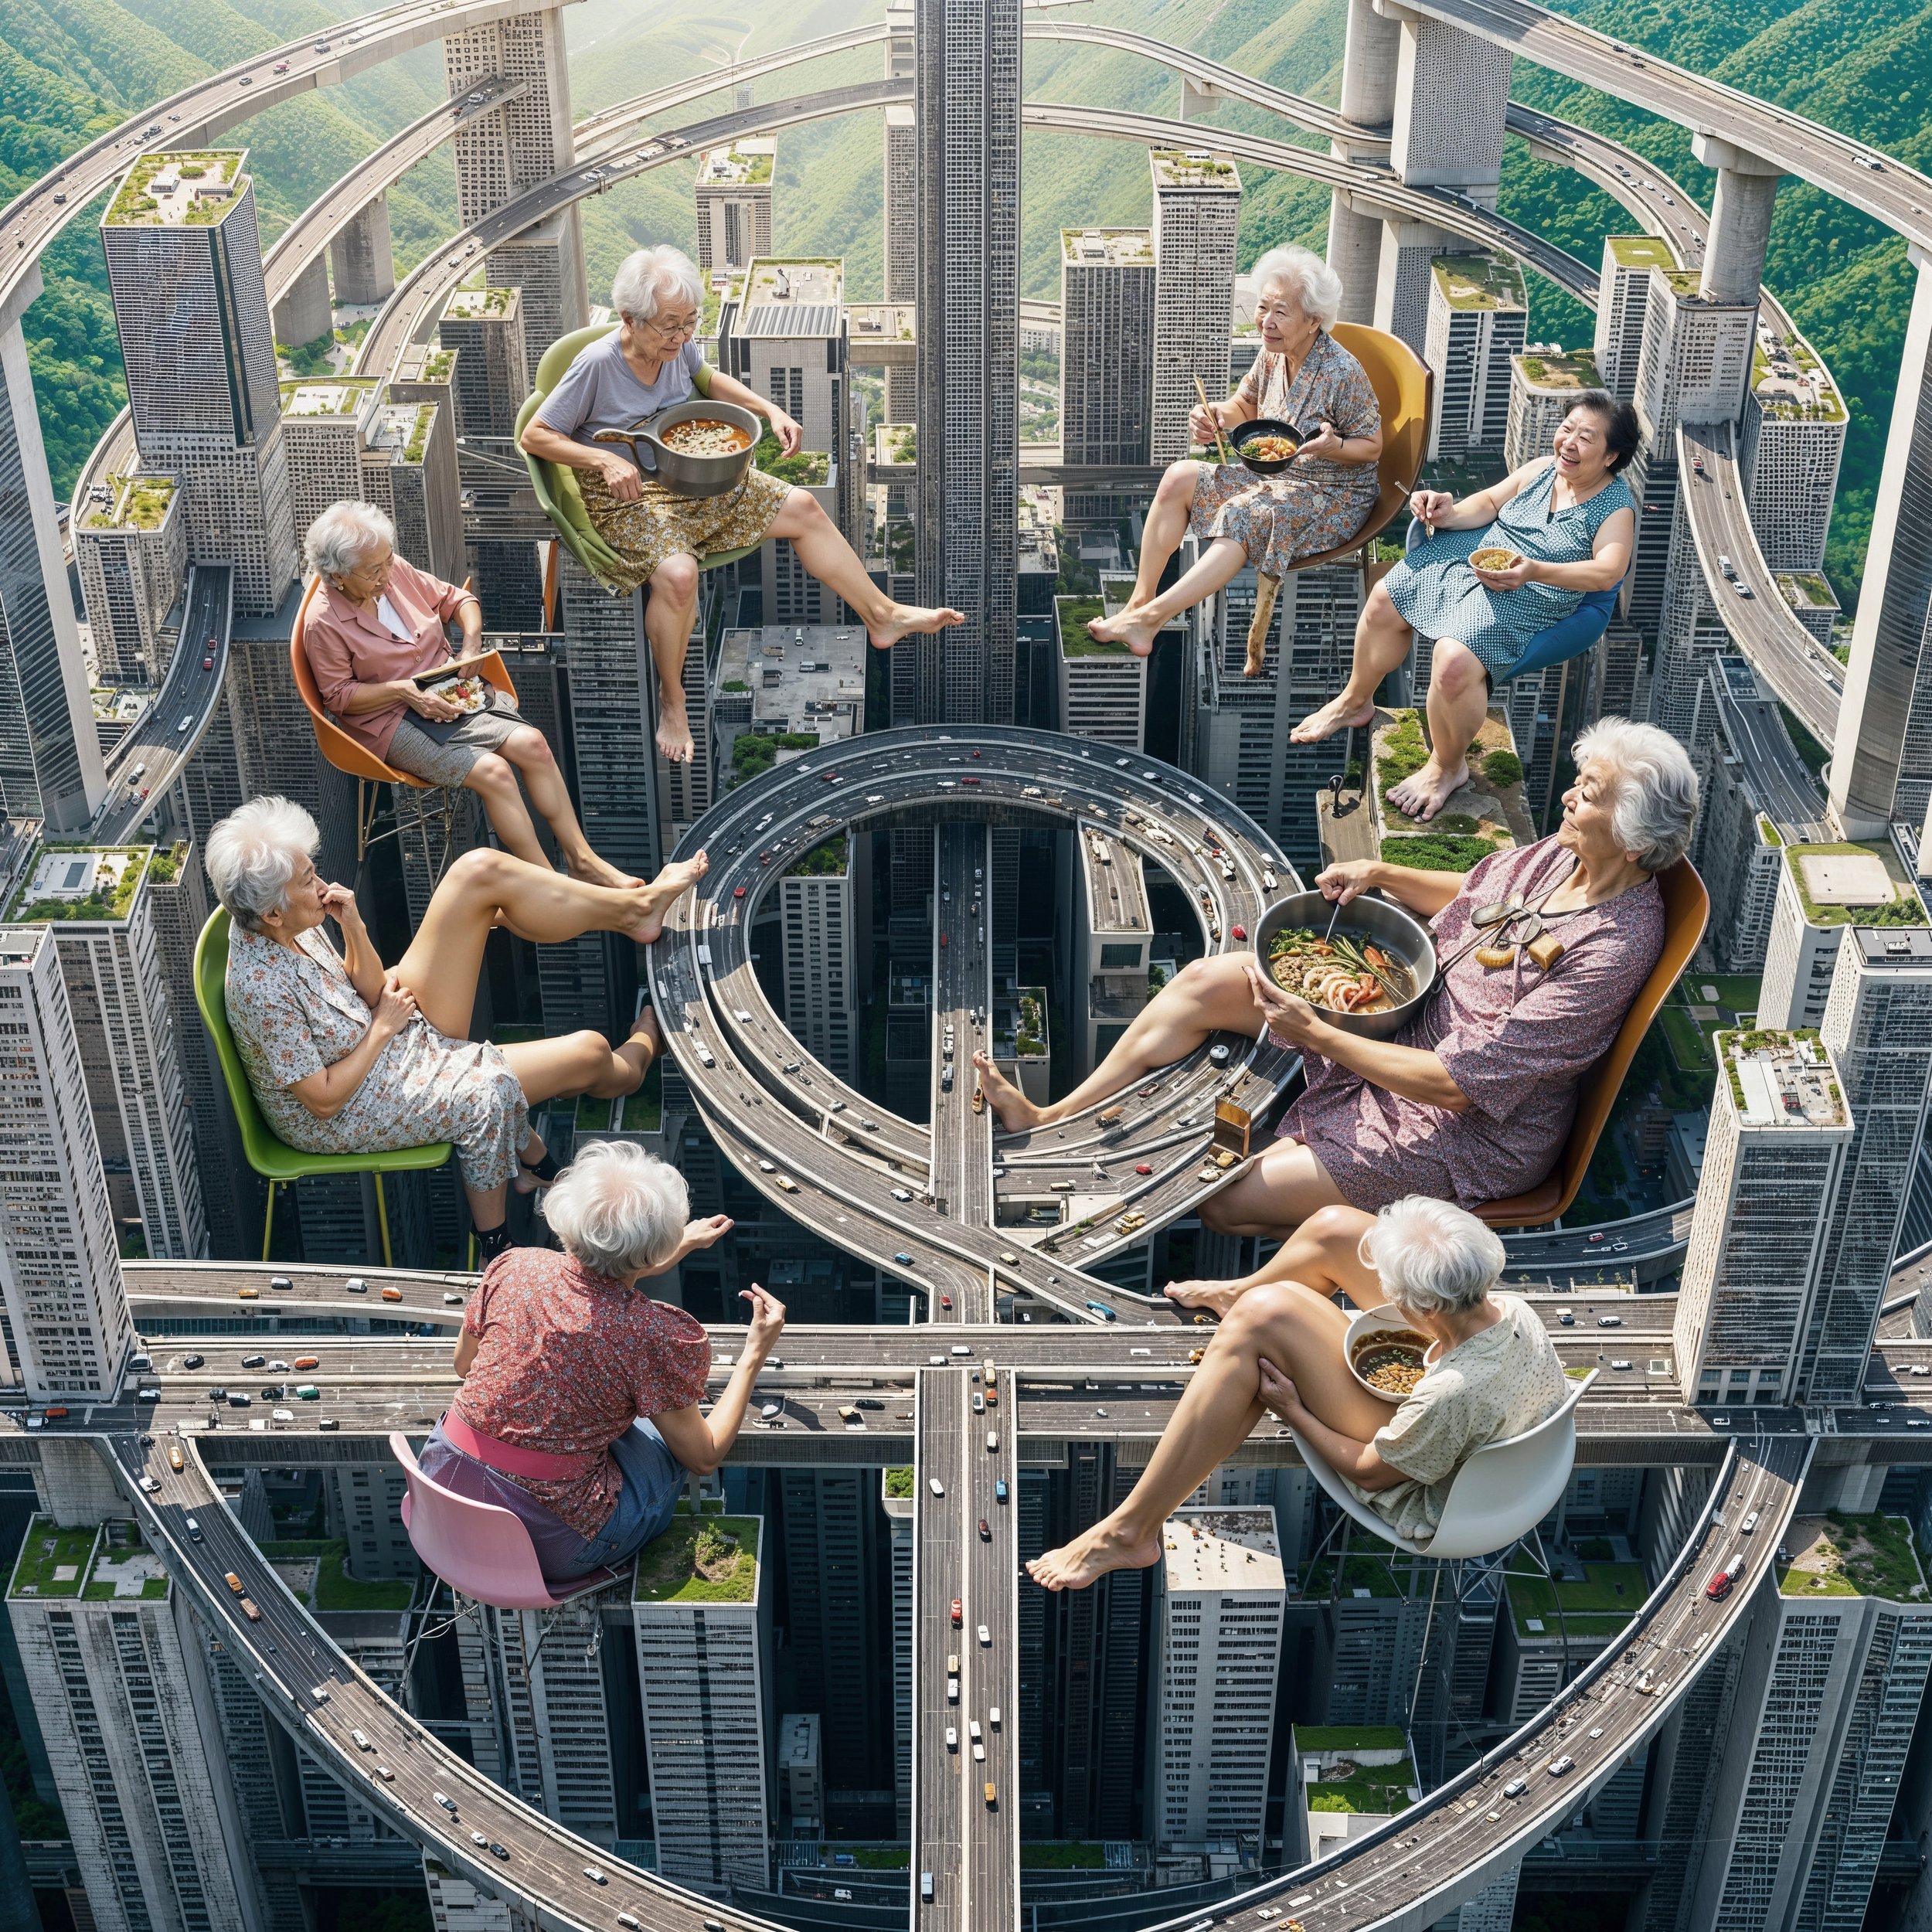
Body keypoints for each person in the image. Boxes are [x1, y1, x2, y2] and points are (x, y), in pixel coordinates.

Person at [976, 719, 1696, 1232]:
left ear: (1632, 841)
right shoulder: (1563, 857)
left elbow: (1458, 1085)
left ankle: (1337, 1230)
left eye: (1589, 795)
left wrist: (1316, 1033)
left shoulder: (1612, 950)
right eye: (1578, 783)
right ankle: (1051, 1116)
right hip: (1399, 1015)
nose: (1569, 797)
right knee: (1204, 982)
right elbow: (1478, 896)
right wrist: (1381, 872)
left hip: (1463, 1128)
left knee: (1220, 1199)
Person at [206, 796, 706, 1261]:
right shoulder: (260, 988)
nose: (321, 886)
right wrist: (381, 1029)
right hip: (343, 1107)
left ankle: (634, 913)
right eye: (308, 880)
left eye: (314, 870)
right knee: (535, 1073)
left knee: (477, 870)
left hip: (382, 1029)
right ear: (272, 913)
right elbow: (322, 1101)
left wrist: (353, 927)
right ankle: (497, 1243)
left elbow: (367, 988)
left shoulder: (292, 919)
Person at [519, 244, 964, 763]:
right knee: (679, 575)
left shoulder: (678, 347)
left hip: (687, 470)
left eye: (689, 322)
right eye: (668, 326)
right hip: (628, 493)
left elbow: (707, 378)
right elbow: (535, 434)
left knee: (804, 507)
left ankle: (882, 616)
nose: (681, 336)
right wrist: (602, 460)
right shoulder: (598, 365)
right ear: (629, 319)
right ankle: (673, 700)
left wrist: (770, 410)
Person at [1029, 1196, 1566, 1587]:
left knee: (1263, 1318)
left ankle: (1131, 1530)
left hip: (1435, 1491)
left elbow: (1371, 1471)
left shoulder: (1449, 1394)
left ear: (1424, 1308)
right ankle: (1237, 1293)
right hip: (1467, 1414)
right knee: (1337, 1228)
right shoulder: (1511, 1309)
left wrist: (1292, 1410)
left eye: (1395, 1291)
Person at [417, 1141, 787, 1580]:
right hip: (545, 1547)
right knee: (665, 1442)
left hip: (440, 1499)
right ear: (654, 1250)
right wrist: (755, 1351)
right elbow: (703, 1457)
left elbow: (465, 1366)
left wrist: (676, 1247)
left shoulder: (512, 1268)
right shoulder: (649, 1335)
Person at [1294, 393, 1641, 822]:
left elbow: (1607, 572)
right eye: (1567, 429)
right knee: (1386, 597)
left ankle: (1447, 766)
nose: (1568, 443)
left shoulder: (1614, 507)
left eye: (1585, 438)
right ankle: (1355, 700)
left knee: (1454, 660)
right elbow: (1492, 503)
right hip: (1483, 554)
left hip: (1539, 591)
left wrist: (1534, 571)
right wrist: (1448, 512)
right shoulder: (1541, 470)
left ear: (1611, 456)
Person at [300, 502, 633, 889]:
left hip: (447, 686)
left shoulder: (394, 571)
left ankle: (583, 861)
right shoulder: (323, 623)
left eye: (388, 561)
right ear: (337, 576)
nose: (386, 576)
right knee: (495, 773)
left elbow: (458, 600)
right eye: (374, 571)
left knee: (534, 745)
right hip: (389, 720)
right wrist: (405, 693)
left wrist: (470, 646)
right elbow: (339, 698)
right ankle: (549, 887)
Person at [1083, 245, 1383, 662]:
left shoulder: (1342, 373)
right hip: (1275, 474)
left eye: (1281, 312)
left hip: (1333, 494)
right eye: (1263, 307)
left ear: (1314, 320)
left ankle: (1149, 621)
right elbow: (1245, 405)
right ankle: (1139, 601)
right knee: (1179, 477)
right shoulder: (1273, 351)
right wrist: (1214, 417)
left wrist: (1336, 447)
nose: (1266, 321)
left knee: (1243, 514)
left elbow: (1373, 447)